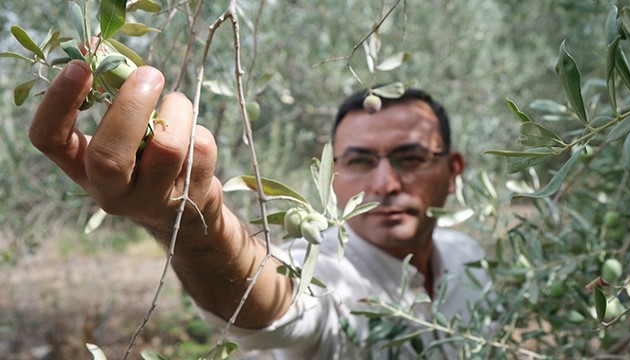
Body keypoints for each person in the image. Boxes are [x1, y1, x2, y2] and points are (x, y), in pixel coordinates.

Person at [29, 60, 488, 359]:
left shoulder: (467, 255)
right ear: (332, 172)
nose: (386, 184)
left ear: (453, 170)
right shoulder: (321, 270)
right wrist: (193, 223)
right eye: (360, 161)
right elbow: (273, 301)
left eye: (411, 159)